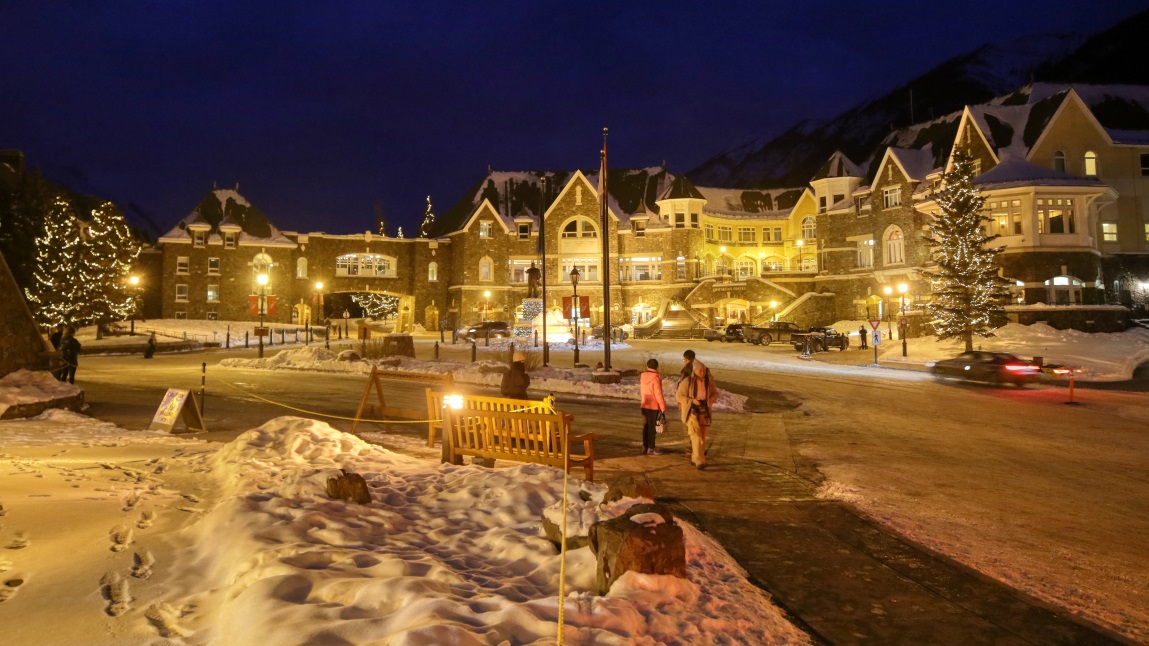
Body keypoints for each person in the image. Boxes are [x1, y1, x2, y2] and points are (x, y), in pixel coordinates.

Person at [678, 349, 718, 470]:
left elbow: (715, 393)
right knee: (696, 436)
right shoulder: (687, 381)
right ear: (694, 371)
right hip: (692, 410)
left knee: (702, 436)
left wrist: (711, 399)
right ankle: (700, 461)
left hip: (704, 411)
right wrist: (691, 401)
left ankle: (695, 457)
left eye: (704, 370)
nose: (702, 372)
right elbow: (679, 395)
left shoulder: (708, 381)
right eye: (700, 370)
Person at [639, 358, 667, 455]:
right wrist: (663, 406)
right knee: (652, 428)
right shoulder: (655, 377)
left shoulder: (642, 376)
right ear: (656, 367)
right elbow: (658, 393)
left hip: (644, 405)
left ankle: (645, 447)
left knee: (646, 427)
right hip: (653, 406)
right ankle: (651, 448)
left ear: (647, 366)